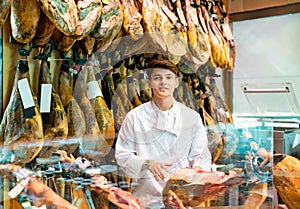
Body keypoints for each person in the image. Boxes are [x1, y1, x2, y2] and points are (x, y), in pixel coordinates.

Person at [115, 59, 212, 209]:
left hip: (181, 199)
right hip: (145, 198)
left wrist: (190, 178)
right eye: (157, 78)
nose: (163, 83)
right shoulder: (135, 116)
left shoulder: (191, 117)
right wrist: (147, 163)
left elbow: (201, 157)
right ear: (149, 83)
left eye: (168, 77)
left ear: (176, 82)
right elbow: (122, 156)